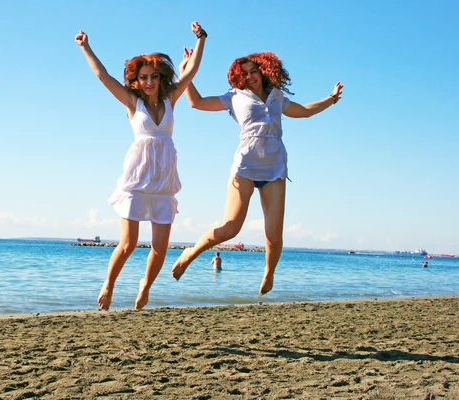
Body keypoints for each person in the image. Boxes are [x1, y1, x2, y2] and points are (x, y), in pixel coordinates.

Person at [172, 49, 343, 296]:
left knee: (273, 235)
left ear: (263, 70)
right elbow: (196, 102)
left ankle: (269, 272)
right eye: (245, 73)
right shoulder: (234, 97)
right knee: (231, 227)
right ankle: (191, 253)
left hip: (274, 168)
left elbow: (305, 110)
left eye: (254, 71)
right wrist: (185, 71)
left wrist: (331, 98)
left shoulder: (277, 96)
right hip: (245, 166)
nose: (250, 76)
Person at [75, 22, 207, 310]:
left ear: (161, 79)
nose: (149, 82)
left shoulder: (171, 99)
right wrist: (86, 47)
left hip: (163, 183)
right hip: (137, 180)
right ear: (135, 81)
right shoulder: (133, 103)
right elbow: (103, 76)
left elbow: (192, 70)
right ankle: (109, 284)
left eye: (154, 77)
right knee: (128, 244)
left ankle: (145, 286)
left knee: (160, 249)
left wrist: (201, 39)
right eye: (143, 77)